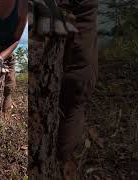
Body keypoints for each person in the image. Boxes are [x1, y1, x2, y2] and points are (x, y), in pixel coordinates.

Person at [31, 0, 98, 179]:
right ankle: (59, 160)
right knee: (71, 111)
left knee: (71, 112)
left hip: (74, 67)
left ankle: (59, 161)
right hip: (77, 66)